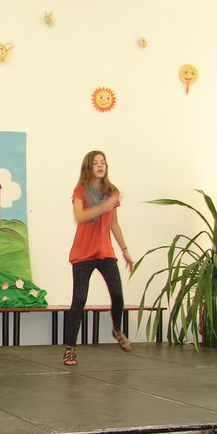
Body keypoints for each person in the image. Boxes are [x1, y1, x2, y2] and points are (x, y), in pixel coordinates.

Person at [63, 150, 134, 366]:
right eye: (96, 163)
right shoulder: (81, 190)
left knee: (118, 294)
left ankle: (117, 329)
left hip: (104, 252)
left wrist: (125, 250)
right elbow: (79, 216)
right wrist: (104, 206)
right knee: (79, 299)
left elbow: (114, 224)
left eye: (103, 162)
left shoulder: (111, 192)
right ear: (89, 167)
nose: (101, 165)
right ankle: (70, 348)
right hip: (83, 253)